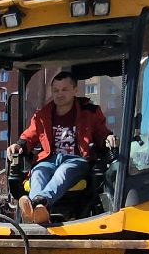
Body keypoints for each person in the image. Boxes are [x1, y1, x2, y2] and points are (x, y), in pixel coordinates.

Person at [9, 71, 116, 225]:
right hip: (49, 159)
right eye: (56, 90)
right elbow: (29, 137)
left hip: (75, 160)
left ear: (75, 90)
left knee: (63, 172)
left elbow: (101, 134)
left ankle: (39, 203)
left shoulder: (90, 112)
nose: (60, 94)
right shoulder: (42, 115)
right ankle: (37, 212)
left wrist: (108, 139)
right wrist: (18, 146)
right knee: (38, 173)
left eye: (64, 89)